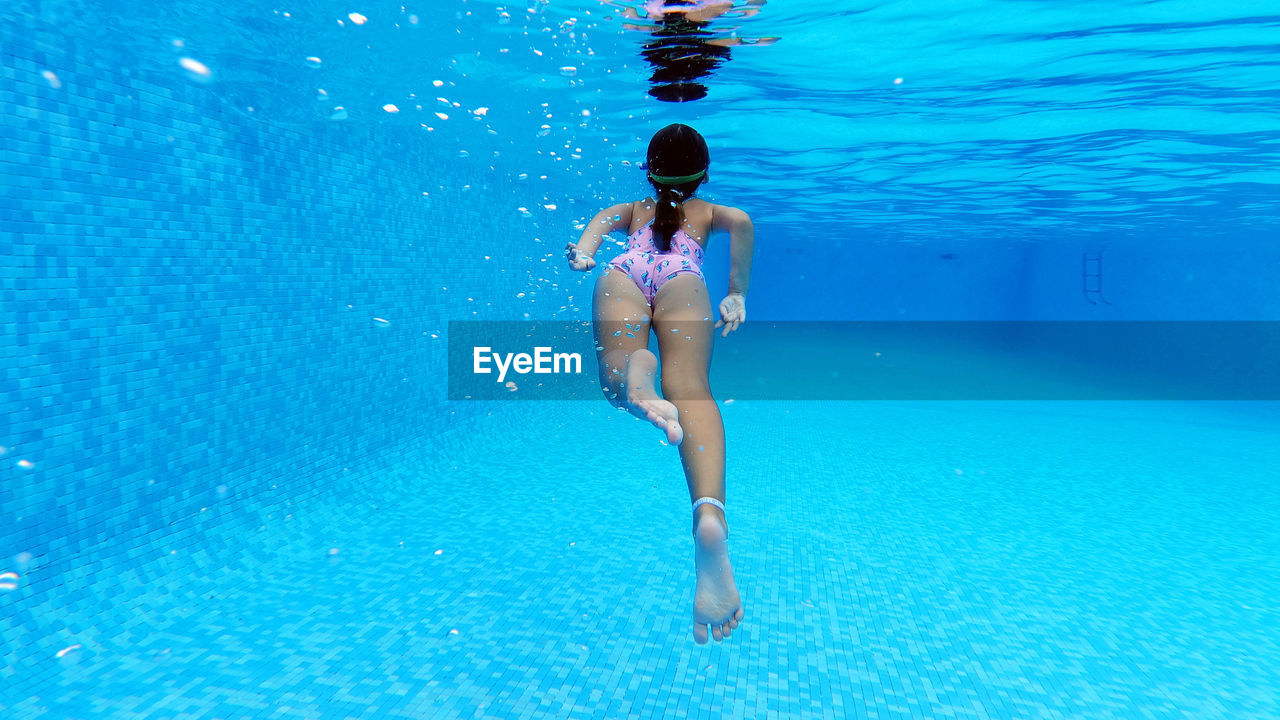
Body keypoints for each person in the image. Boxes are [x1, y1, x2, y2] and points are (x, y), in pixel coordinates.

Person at [564, 123, 754, 644]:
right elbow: (742, 221)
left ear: (648, 172)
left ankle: (638, 382)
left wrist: (585, 251)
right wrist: (736, 292)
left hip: (625, 271)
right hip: (682, 277)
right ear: (704, 176)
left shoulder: (634, 210)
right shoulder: (709, 214)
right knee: (691, 386)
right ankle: (708, 514)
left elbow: (601, 221)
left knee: (614, 380)